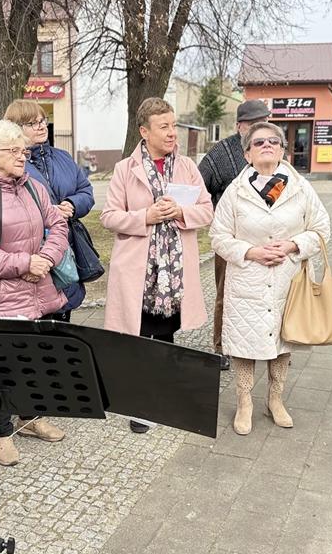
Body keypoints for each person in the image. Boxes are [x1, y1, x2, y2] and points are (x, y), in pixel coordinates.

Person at [208, 122, 331, 435]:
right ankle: (245, 402)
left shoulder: (301, 188)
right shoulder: (235, 193)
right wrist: (250, 252)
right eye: (258, 142)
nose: (266, 145)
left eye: (273, 141)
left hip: (288, 279)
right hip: (247, 278)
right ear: (247, 154)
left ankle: (275, 400)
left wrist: (293, 245)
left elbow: (321, 230)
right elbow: (218, 237)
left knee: (282, 339)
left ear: (282, 150)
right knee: (245, 343)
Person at [0, 120, 69, 466]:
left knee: (36, 361)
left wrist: (46, 259)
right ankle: (2, 434)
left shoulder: (34, 188)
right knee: (1, 369)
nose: (23, 155)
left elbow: (59, 225)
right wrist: (25, 263)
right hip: (2, 296)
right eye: (15, 150)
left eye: (24, 149)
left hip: (39, 288)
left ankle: (32, 419)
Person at [100, 97, 213, 434]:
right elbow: (108, 217)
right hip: (140, 268)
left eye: (173, 125)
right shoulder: (125, 169)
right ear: (144, 131)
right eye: (164, 127)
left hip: (174, 270)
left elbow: (207, 210)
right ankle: (142, 402)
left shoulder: (188, 167)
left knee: (165, 333)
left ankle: (163, 394)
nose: (172, 133)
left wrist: (181, 213)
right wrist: (145, 217)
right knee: (140, 336)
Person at [1, 99, 93, 444]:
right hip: (25, 259)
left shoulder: (62, 158)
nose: (42, 127)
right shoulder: (10, 170)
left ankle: (52, 393)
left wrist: (72, 205)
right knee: (28, 334)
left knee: (60, 320)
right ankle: (21, 411)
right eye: (32, 123)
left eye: (43, 122)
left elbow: (86, 190)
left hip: (63, 249)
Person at [197, 99, 271, 371]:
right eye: (252, 124)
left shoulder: (271, 150)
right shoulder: (220, 154)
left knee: (265, 294)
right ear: (240, 126)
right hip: (231, 240)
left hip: (267, 240)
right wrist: (214, 216)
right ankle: (221, 347)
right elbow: (197, 186)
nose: (258, 130)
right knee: (225, 293)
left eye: (263, 122)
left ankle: (261, 344)